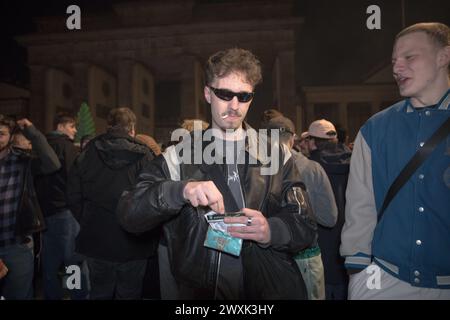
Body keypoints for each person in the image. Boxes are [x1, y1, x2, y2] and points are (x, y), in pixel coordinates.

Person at [117, 48, 317, 299]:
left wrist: (271, 230)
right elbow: (129, 214)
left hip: (265, 291)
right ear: (207, 94)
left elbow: (306, 225)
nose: (234, 105)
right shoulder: (177, 156)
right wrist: (181, 190)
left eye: (243, 96)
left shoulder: (278, 154)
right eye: (225, 94)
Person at [340, 22, 450, 299]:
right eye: (394, 61)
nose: (397, 68)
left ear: (443, 57)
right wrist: (359, 271)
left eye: (409, 58)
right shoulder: (374, 129)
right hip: (384, 280)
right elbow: (360, 206)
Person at [67, 107, 159, 299]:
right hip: (134, 241)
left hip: (97, 238)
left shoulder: (87, 152)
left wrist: (86, 219)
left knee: (100, 292)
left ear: (109, 126)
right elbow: (153, 200)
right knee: (130, 293)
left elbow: (73, 195)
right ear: (132, 128)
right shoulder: (146, 155)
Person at [264, 115, 338, 300]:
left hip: (267, 258)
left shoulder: (252, 169)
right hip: (305, 257)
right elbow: (330, 218)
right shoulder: (312, 169)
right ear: (293, 138)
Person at [0, 116, 60, 300]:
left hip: (17, 244)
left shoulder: (22, 161)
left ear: (10, 137)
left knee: (19, 295)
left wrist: (32, 132)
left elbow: (52, 163)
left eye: (1, 134)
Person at [35, 112, 88, 300]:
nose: (74, 131)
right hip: (66, 211)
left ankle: (53, 296)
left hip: (45, 212)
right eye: (72, 126)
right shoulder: (66, 146)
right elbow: (75, 179)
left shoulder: (41, 146)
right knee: (72, 260)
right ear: (60, 126)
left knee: (50, 261)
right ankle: (76, 296)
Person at [306, 118, 352, 300]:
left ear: (312, 142)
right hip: (348, 239)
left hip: (322, 240)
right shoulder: (353, 160)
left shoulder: (312, 167)